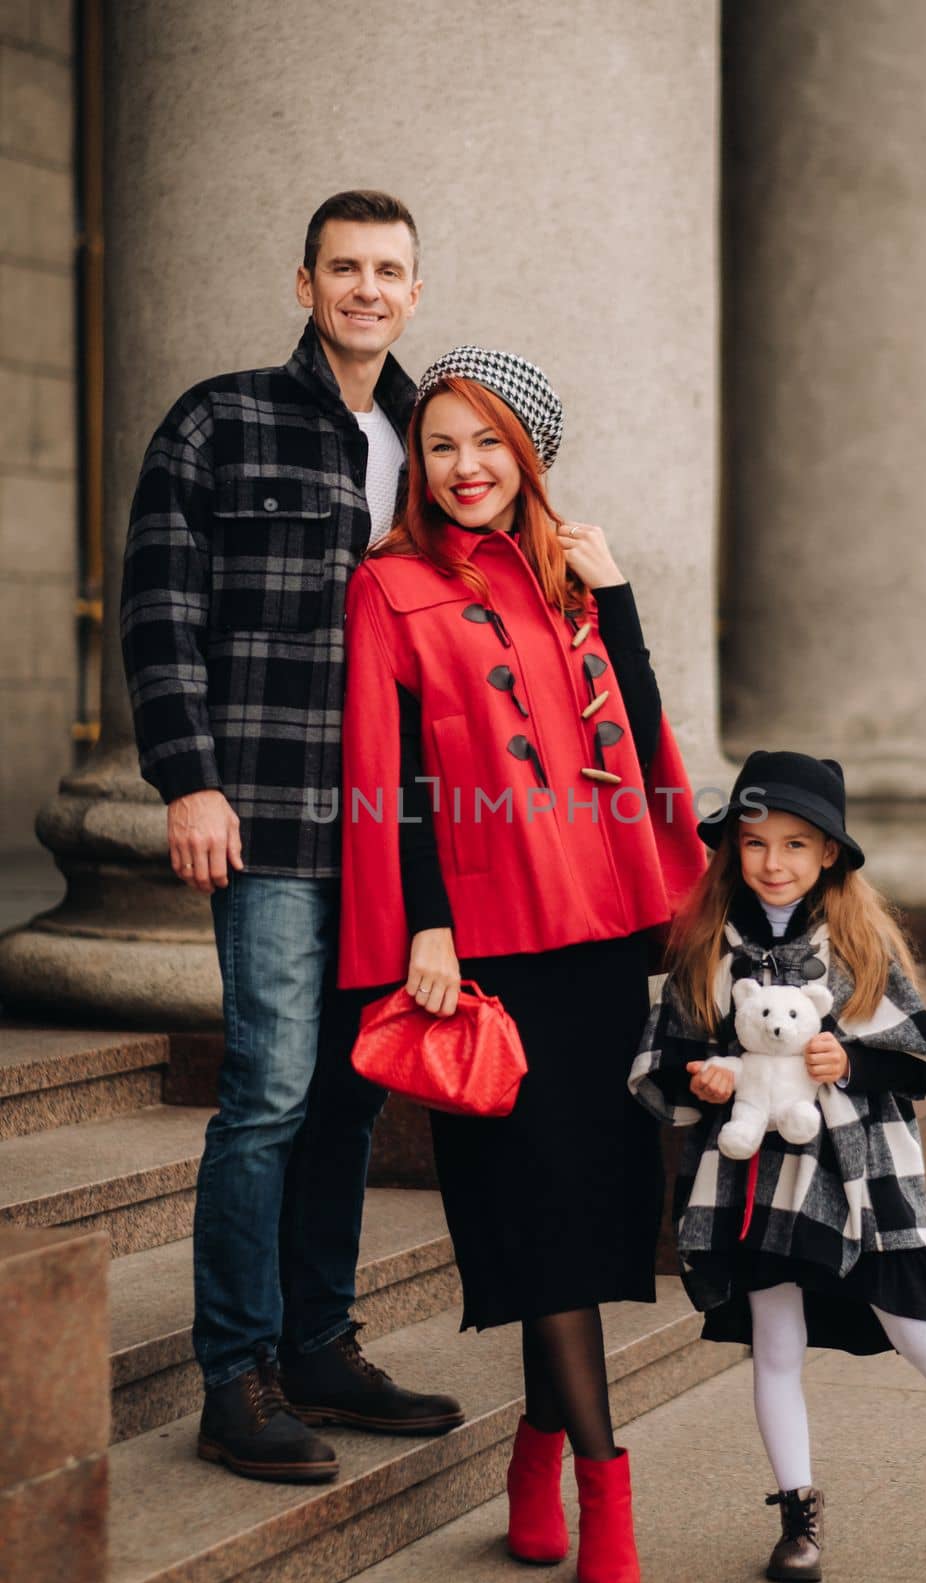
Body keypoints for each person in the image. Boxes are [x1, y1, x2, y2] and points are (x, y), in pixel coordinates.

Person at [339, 346, 706, 1583]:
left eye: (486, 442)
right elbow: (393, 770)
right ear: (418, 465)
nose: (465, 467)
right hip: (484, 946)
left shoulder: (570, 575)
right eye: (440, 445)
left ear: (525, 454)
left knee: (599, 1206)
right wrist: (423, 926)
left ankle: (539, 1441)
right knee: (537, 1216)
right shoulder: (387, 586)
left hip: (598, 936)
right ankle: (605, 1481)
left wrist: (621, 599)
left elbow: (638, 725)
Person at [120, 190, 463, 1485]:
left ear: (414, 292)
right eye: (344, 268)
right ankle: (235, 1375)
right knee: (266, 1091)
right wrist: (187, 780)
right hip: (260, 813)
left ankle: (320, 1344)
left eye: (389, 271)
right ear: (304, 282)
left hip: (382, 827)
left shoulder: (433, 444)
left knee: (344, 1097)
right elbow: (159, 609)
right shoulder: (219, 418)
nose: (367, 288)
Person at [630, 750, 926, 1583]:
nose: (774, 863)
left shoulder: (855, 945)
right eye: (755, 844)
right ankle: (797, 1515)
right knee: (774, 1341)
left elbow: (923, 1058)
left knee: (917, 1330)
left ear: (828, 854)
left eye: (795, 844)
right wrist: (703, 1078)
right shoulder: (707, 950)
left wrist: (848, 1063)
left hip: (855, 1179)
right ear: (733, 852)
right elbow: (665, 1064)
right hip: (750, 1181)